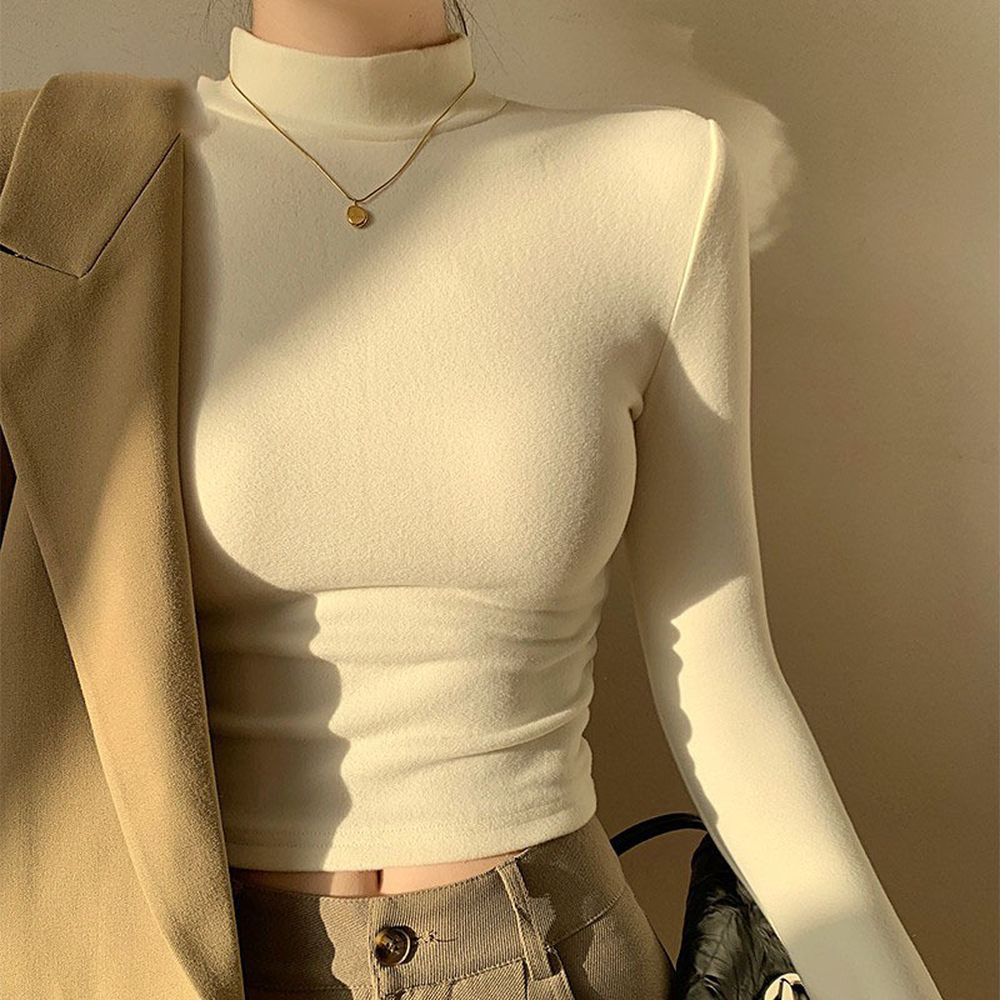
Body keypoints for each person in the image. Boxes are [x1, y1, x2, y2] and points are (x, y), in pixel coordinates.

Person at [0, 1, 945, 999]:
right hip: (178, 958)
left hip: (553, 954)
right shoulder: (52, 186)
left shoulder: (656, 179)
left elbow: (721, 675)